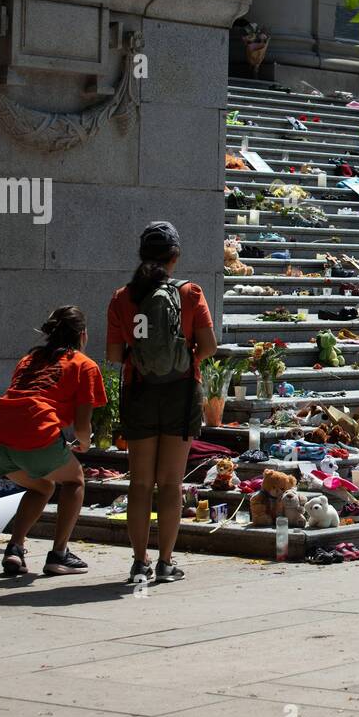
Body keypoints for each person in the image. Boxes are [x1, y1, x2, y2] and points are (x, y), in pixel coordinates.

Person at [106, 222, 217, 585]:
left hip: (139, 391)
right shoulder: (190, 293)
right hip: (181, 392)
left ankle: (140, 563)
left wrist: (140, 357)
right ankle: (166, 563)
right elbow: (209, 346)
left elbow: (112, 354)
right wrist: (184, 358)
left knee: (140, 484)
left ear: (141, 255)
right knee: (170, 484)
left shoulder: (123, 297)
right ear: (176, 256)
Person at [0, 307, 107, 576]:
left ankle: (15, 548)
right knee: (74, 481)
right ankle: (59, 554)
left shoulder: (30, 358)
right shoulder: (84, 365)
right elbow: (82, 425)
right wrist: (84, 444)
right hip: (37, 432)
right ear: (83, 335)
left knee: (41, 487)